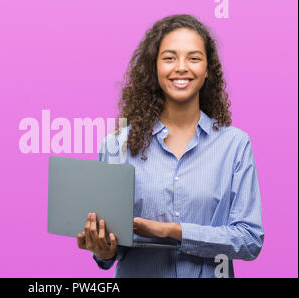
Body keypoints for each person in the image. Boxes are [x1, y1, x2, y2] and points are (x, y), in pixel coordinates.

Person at [76, 14, 264, 278]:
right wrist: (103, 251)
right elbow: (111, 250)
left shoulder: (235, 145)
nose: (181, 67)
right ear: (155, 67)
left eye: (194, 58)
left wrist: (172, 231)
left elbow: (249, 239)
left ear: (208, 69)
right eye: (169, 57)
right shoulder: (116, 146)